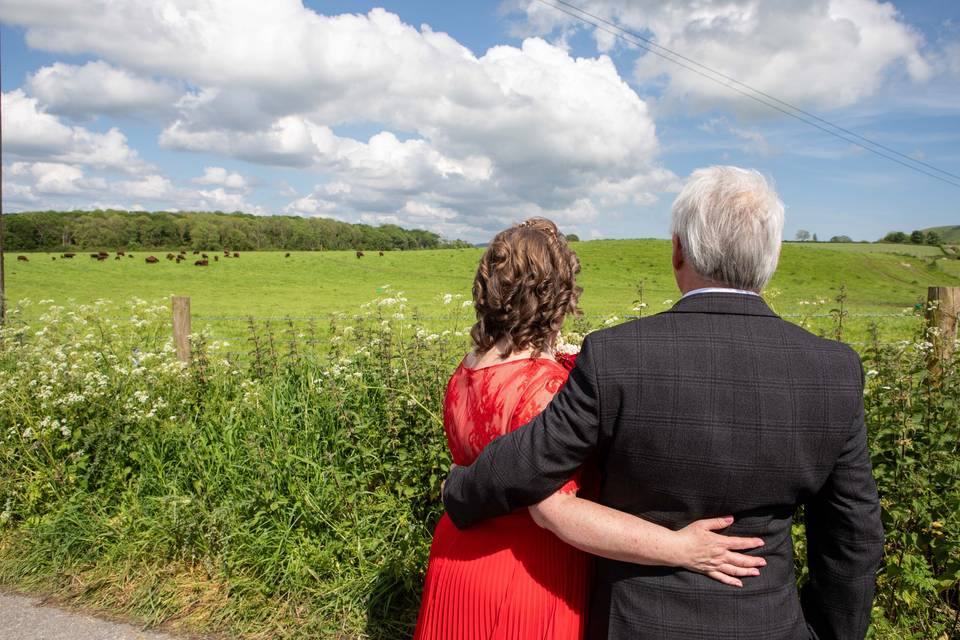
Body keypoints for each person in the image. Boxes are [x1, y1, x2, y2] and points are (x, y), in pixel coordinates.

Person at [443, 168, 885, 639]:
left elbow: (532, 461)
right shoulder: (833, 370)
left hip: (634, 623)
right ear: (773, 256)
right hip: (769, 622)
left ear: (677, 250)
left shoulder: (616, 355)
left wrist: (461, 490)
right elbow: (854, 532)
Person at [414, 218, 766, 640]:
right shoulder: (545, 386)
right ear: (558, 297)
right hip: (524, 572)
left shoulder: (466, 370)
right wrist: (681, 548)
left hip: (457, 554)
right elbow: (555, 513)